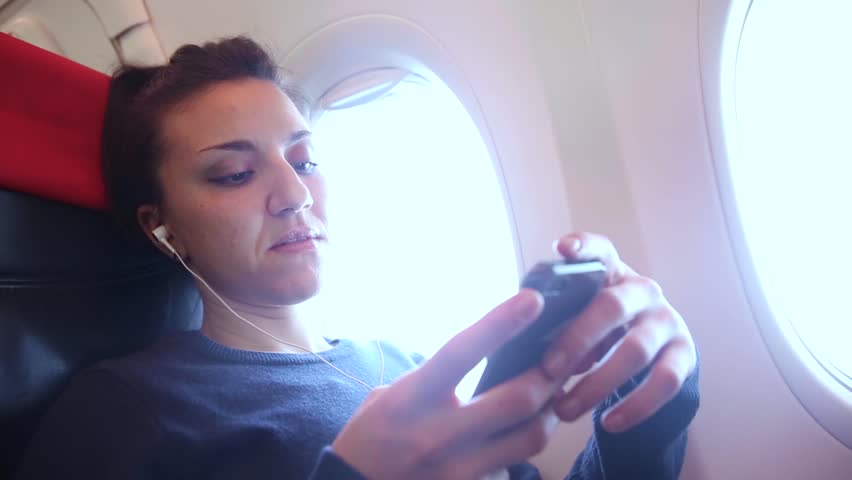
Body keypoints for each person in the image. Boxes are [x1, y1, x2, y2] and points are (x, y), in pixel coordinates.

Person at [15, 36, 699, 480]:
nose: (293, 194)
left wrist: (643, 405)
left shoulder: (404, 364)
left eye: (305, 159)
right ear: (161, 227)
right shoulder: (125, 409)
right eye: (233, 174)